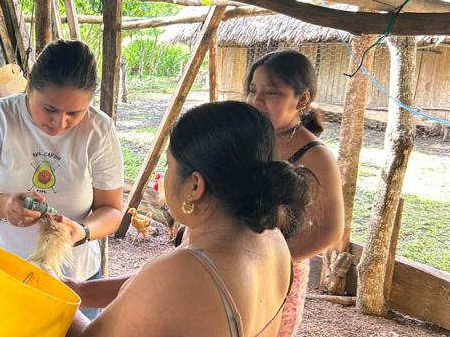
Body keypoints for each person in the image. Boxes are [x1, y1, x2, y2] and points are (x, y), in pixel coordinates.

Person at [66, 101, 312, 336]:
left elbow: (163, 288)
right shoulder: (272, 239)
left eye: (169, 165)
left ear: (195, 186)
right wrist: (81, 291)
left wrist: (54, 299)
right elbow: (161, 292)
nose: (165, 174)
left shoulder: (178, 272)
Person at [0, 40, 125, 317]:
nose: (60, 123)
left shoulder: (98, 130)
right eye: (50, 109)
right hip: (1, 273)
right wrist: (2, 205)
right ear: (29, 88)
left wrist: (81, 232)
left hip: (73, 281)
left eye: (74, 113)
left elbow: (112, 210)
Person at [244, 50, 345, 336]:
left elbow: (329, 230)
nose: (256, 101)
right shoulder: (251, 139)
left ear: (302, 100)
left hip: (277, 272)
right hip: (234, 259)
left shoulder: (315, 156)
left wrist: (274, 261)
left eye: (272, 93)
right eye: (253, 90)